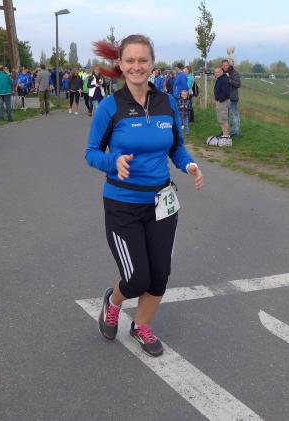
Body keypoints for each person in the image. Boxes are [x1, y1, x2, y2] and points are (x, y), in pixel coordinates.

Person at [86, 34, 203, 357]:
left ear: (152, 64)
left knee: (159, 276)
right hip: (123, 204)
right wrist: (113, 162)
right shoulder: (110, 107)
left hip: (162, 203)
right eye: (130, 61)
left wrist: (189, 164)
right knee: (136, 278)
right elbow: (91, 153)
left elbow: (176, 147)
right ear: (121, 65)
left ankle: (141, 326)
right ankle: (113, 302)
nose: (137, 66)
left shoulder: (166, 103)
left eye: (143, 60)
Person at [222, 59, 241, 136]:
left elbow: (238, 84)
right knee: (226, 116)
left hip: (232, 97)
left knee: (234, 115)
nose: (225, 67)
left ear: (229, 65)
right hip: (224, 98)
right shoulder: (222, 72)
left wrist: (229, 79)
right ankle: (226, 131)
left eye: (226, 65)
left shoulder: (234, 73)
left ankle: (235, 132)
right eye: (223, 65)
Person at [213, 66, 232, 144]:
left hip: (223, 102)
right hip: (220, 101)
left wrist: (220, 100)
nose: (216, 73)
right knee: (221, 119)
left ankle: (226, 136)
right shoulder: (220, 79)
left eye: (218, 72)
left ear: (222, 72)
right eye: (215, 72)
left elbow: (226, 92)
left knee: (223, 119)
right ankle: (224, 135)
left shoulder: (224, 79)